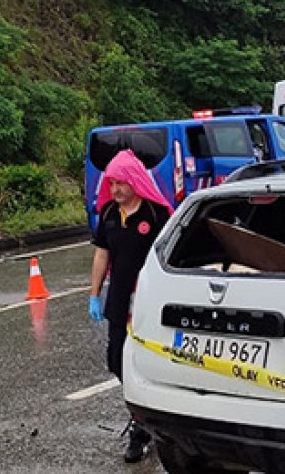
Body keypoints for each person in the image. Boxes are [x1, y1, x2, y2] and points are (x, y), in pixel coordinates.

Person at [88, 149, 173, 463]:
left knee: (145, 362)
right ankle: (143, 416)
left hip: (147, 303)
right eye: (111, 184)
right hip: (119, 300)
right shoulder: (110, 215)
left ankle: (142, 429)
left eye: (121, 183)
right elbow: (101, 256)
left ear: (135, 182)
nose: (115, 190)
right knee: (117, 362)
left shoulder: (155, 214)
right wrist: (95, 294)